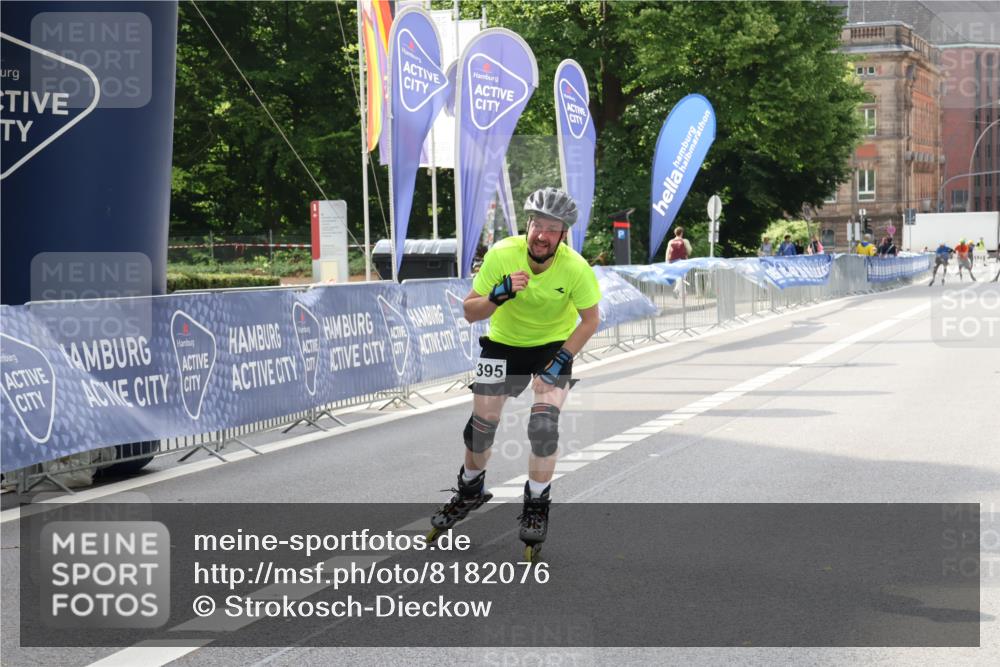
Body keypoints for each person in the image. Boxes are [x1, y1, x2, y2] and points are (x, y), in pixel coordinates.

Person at [428, 187, 602, 560]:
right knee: (480, 428)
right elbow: (470, 312)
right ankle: (470, 490)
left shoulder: (575, 268)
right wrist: (497, 296)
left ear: (563, 235)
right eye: (537, 224)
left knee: (543, 426)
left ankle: (537, 505)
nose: (542, 234)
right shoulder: (503, 254)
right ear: (528, 225)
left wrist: (560, 360)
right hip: (502, 345)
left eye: (552, 228)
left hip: (551, 348)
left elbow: (590, 320)